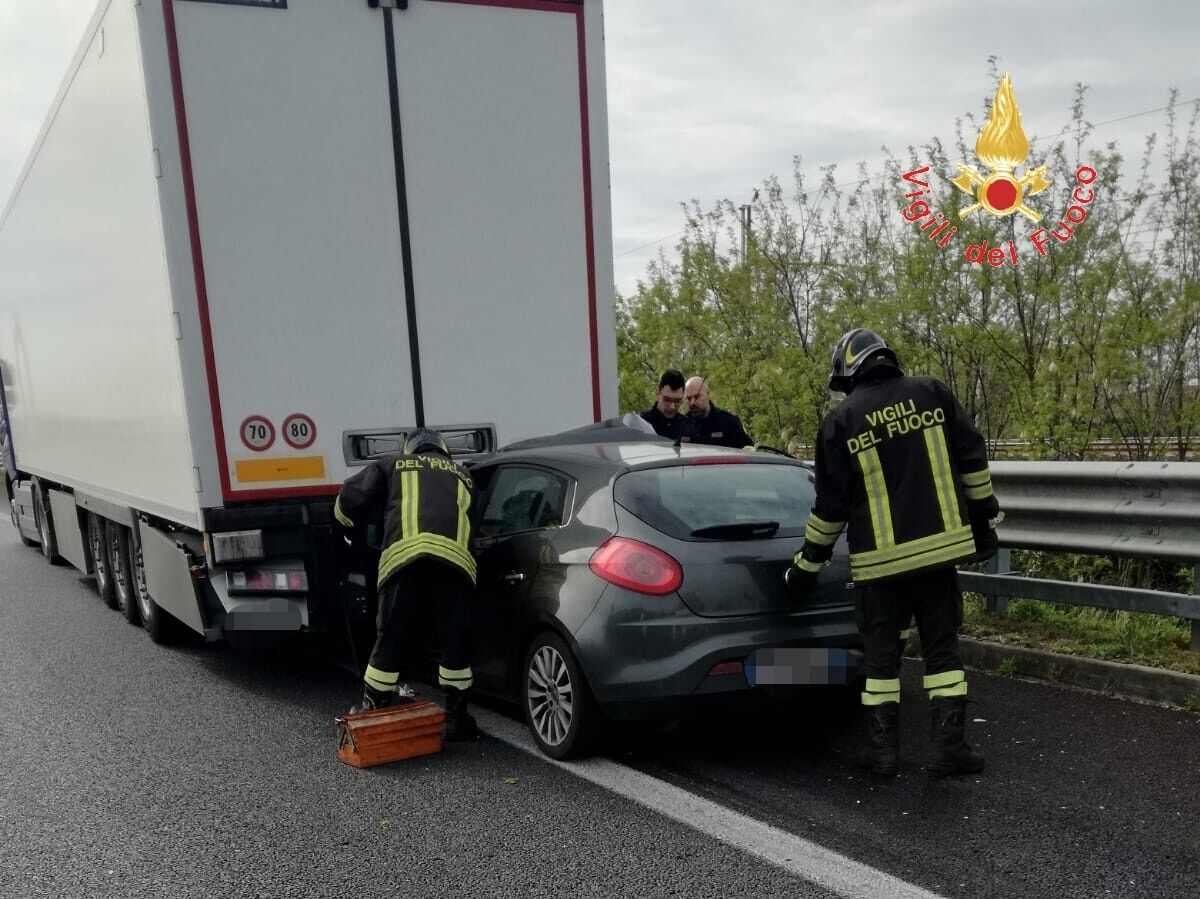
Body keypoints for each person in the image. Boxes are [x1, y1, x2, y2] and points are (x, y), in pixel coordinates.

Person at [786, 328, 1001, 777]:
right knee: (942, 652)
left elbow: (830, 508)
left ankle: (882, 754)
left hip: (878, 567)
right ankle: (949, 749)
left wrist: (807, 566)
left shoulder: (839, 421)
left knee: (881, 658)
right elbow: (972, 460)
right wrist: (983, 521)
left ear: (848, 370)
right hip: (937, 558)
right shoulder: (932, 393)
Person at [334, 427, 479, 741]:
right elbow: (473, 521)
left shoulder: (393, 464)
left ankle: (374, 710)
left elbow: (350, 498)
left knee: (391, 636)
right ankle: (457, 716)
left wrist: (346, 524)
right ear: (443, 451)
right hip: (455, 565)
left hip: (405, 560)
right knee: (454, 643)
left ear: (411, 449)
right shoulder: (463, 476)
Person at [684, 376, 753, 448]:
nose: (692, 402)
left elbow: (748, 452)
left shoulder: (728, 422)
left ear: (708, 394)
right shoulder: (682, 425)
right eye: (688, 399)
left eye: (697, 397)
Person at [641, 369, 696, 442]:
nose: (672, 407)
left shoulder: (689, 427)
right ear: (658, 394)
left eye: (677, 401)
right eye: (667, 400)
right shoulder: (641, 424)